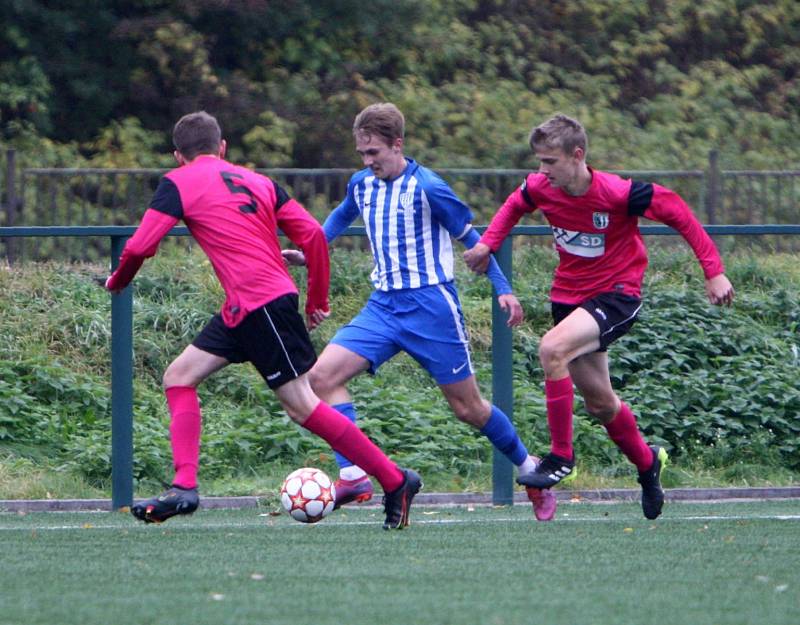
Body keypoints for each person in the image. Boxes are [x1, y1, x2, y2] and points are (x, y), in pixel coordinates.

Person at [105, 111, 421, 530]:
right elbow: (311, 235)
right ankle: (184, 487)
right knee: (178, 377)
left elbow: (141, 245)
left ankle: (395, 480)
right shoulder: (259, 181)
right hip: (246, 307)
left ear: (178, 155)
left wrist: (117, 281)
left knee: (303, 406)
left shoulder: (177, 182)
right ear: (222, 148)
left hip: (261, 305)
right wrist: (316, 299)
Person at [283, 102, 557, 521]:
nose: (367, 161)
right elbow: (334, 224)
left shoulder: (428, 186)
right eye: (362, 153)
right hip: (383, 307)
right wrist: (307, 254)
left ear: (398, 145)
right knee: (319, 379)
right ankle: (354, 475)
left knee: (468, 408)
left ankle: (529, 469)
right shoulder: (361, 185)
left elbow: (474, 239)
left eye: (374, 152)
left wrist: (503, 288)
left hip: (432, 308)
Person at [463, 113, 735, 520]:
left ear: (578, 156)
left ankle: (560, 457)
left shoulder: (618, 193)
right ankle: (648, 465)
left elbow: (678, 210)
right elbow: (514, 205)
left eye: (550, 162)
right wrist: (488, 244)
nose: (541, 171)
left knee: (551, 348)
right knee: (601, 404)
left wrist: (713, 271)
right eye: (538, 161)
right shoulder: (542, 187)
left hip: (617, 295)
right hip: (568, 299)